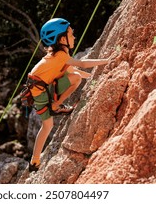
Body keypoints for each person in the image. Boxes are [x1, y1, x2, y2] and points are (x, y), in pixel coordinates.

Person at [28, 17, 109, 172]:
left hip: (39, 90)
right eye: (71, 34)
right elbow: (83, 65)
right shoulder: (60, 56)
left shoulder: (58, 56)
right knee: (76, 80)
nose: (74, 37)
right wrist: (107, 61)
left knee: (47, 126)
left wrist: (94, 77)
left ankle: (34, 161)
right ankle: (56, 105)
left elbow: (73, 71)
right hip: (41, 92)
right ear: (62, 38)